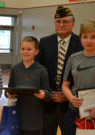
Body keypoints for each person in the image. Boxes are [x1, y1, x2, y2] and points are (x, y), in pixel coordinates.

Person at [36, 6, 83, 135]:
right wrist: (49, 93)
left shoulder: (81, 43)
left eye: (65, 21)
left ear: (73, 23)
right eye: (58, 21)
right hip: (47, 104)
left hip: (71, 106)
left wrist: (67, 94)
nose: (61, 24)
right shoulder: (44, 42)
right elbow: (38, 70)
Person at [8, 36, 51, 135]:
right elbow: (10, 88)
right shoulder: (15, 69)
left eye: (29, 49)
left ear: (36, 51)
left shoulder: (42, 70)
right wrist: (9, 94)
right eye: (23, 49)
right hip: (17, 116)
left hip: (34, 118)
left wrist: (43, 95)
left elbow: (48, 94)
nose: (25, 52)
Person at [62, 19, 95, 135]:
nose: (89, 41)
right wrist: (71, 98)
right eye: (85, 37)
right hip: (74, 111)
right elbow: (65, 85)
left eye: (93, 37)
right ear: (80, 38)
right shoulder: (73, 58)